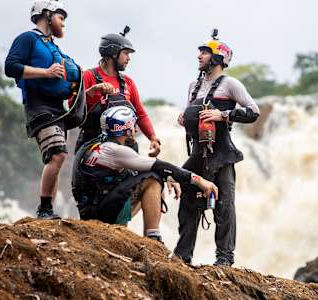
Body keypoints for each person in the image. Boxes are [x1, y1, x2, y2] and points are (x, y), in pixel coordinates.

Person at [174, 29, 260, 266]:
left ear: (218, 58)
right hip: (197, 154)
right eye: (200, 52)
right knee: (188, 203)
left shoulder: (231, 84)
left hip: (222, 154)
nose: (199, 56)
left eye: (204, 52)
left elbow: (254, 112)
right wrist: (183, 118)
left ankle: (224, 259)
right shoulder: (193, 86)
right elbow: (191, 113)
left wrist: (223, 114)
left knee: (224, 207)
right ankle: (183, 256)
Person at [72, 106, 218, 241]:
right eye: (133, 125)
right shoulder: (116, 151)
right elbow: (159, 166)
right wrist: (200, 181)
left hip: (91, 208)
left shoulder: (97, 145)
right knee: (153, 180)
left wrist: (168, 176)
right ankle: (153, 238)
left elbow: (142, 168)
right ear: (126, 129)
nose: (136, 129)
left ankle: (120, 232)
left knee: (155, 175)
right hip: (100, 213)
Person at [4, 0, 81, 219]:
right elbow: (10, 67)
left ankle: (49, 213)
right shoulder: (27, 39)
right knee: (57, 154)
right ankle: (44, 209)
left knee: (56, 157)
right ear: (46, 15)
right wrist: (45, 73)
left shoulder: (54, 47)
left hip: (59, 109)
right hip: (38, 106)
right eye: (60, 17)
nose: (63, 23)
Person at [75, 26, 160, 157]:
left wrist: (153, 138)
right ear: (113, 53)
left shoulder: (128, 82)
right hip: (94, 147)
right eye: (126, 53)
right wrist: (91, 91)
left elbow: (140, 113)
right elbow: (72, 107)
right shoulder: (88, 76)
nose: (129, 58)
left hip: (124, 148)